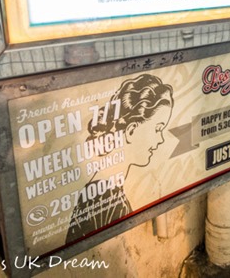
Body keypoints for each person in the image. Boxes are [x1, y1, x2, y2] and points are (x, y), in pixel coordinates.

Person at [66, 73, 174, 243]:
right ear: (131, 130)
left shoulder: (103, 191)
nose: (161, 139)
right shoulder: (107, 198)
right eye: (158, 129)